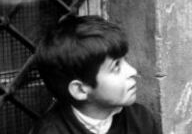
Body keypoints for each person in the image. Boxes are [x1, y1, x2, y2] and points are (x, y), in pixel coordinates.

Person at [31, 15, 160, 134]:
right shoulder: (51, 131)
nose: (133, 71)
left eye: (125, 60)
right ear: (80, 90)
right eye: (116, 66)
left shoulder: (140, 119)